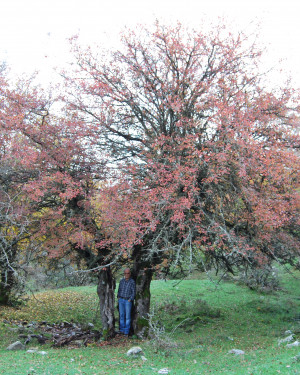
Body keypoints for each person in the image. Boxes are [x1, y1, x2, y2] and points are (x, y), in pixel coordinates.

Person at [117, 268, 136, 336]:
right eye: (125, 273)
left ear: (130, 274)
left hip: (128, 301)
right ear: (124, 274)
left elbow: (133, 292)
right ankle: (121, 330)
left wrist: (130, 299)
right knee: (122, 315)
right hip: (121, 300)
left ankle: (126, 332)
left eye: (128, 273)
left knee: (127, 317)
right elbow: (119, 289)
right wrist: (118, 297)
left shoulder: (132, 282)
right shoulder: (121, 281)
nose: (126, 274)